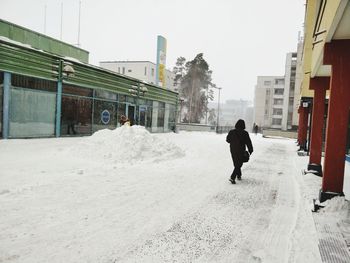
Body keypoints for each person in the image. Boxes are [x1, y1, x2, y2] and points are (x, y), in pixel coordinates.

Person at [226, 119, 253, 184]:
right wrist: (250, 150)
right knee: (239, 164)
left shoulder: (231, 132)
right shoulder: (245, 133)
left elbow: (228, 140)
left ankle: (239, 175)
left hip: (233, 149)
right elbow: (248, 142)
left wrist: (233, 141)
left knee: (236, 163)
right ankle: (232, 177)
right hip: (241, 150)